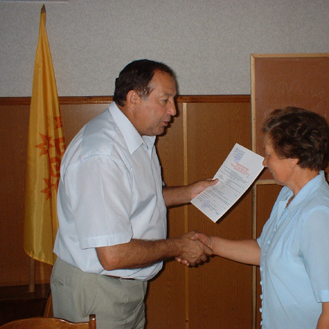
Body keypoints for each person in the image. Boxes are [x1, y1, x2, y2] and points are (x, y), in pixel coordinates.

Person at [51, 59, 216, 329]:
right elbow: (113, 254)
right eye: (165, 100)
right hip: (97, 290)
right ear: (133, 99)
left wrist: (190, 193)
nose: (173, 111)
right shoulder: (102, 155)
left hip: (121, 287)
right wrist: (179, 246)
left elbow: (140, 199)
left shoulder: (139, 138)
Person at [190, 107, 329, 328]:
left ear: (293, 159)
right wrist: (211, 244)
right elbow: (266, 251)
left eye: (269, 154)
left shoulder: (320, 217)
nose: (264, 162)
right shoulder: (288, 195)